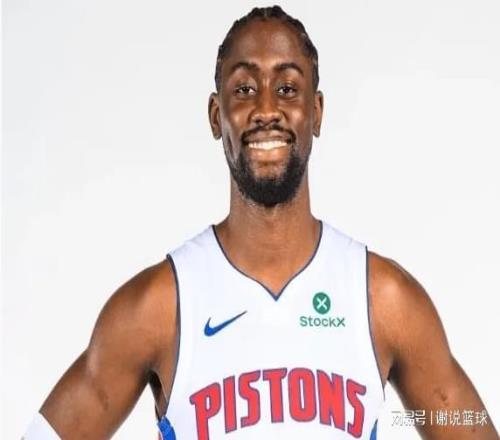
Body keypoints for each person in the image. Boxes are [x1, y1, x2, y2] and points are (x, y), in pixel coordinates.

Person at [24, 5, 498, 440]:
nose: (267, 109)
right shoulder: (158, 308)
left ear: (316, 112)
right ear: (217, 116)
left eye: (287, 88)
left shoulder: (383, 300)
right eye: (245, 89)